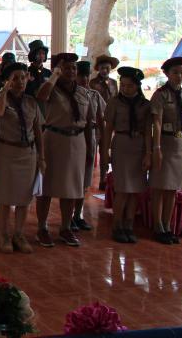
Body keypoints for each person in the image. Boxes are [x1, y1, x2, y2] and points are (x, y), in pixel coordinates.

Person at [34, 53, 95, 248]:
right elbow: (41, 96)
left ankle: (66, 227)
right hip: (54, 139)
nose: (71, 72)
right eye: (66, 68)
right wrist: (54, 75)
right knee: (47, 187)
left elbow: (88, 122)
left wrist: (90, 148)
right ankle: (42, 228)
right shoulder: (51, 88)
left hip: (77, 141)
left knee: (72, 188)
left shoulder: (83, 92)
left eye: (73, 68)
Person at [0, 63, 44, 254]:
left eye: (23, 77)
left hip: (27, 153)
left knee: (24, 197)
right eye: (15, 78)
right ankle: (3, 235)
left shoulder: (31, 102)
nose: (20, 82)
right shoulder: (2, 100)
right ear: (7, 81)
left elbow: (37, 130)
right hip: (7, 152)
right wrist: (5, 90)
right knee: (5, 197)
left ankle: (19, 234)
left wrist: (41, 156)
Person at [149, 56, 182, 245]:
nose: (179, 76)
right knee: (160, 187)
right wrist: (157, 147)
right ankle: (158, 226)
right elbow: (157, 123)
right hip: (165, 143)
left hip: (181, 143)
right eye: (175, 72)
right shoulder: (160, 95)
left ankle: (167, 225)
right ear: (167, 74)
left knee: (173, 188)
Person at [104, 66, 150, 243]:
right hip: (121, 144)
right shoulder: (114, 102)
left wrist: (148, 153)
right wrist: (105, 150)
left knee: (135, 190)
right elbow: (108, 128)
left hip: (138, 145)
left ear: (137, 86)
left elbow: (148, 131)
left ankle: (129, 225)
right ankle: (117, 225)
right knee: (122, 189)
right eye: (122, 85)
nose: (125, 89)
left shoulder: (145, 105)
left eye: (129, 86)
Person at [72, 60, 106, 231]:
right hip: (75, 136)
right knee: (73, 179)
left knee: (85, 179)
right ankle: (69, 216)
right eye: (80, 76)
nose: (84, 79)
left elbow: (101, 118)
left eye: (86, 76)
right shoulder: (70, 94)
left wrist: (103, 140)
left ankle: (78, 215)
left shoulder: (94, 95)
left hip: (91, 136)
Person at [90, 55, 119, 190]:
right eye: (102, 68)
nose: (105, 70)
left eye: (107, 68)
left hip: (109, 122)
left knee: (105, 151)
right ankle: (87, 180)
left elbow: (117, 100)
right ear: (98, 69)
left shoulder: (113, 83)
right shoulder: (92, 83)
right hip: (96, 122)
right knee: (91, 150)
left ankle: (103, 178)